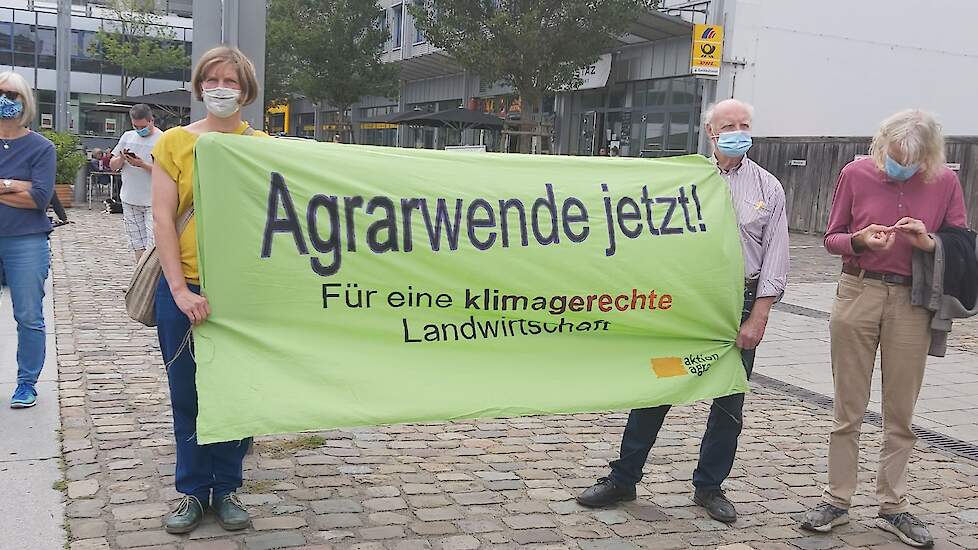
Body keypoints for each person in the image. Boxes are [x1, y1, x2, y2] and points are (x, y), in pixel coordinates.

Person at [576, 99, 789, 524]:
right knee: (658, 387)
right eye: (729, 124)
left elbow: (776, 256)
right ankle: (624, 477)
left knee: (729, 403)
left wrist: (759, 315)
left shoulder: (768, 188)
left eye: (745, 123)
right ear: (712, 132)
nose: (739, 130)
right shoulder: (682, 179)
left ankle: (710, 487)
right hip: (686, 304)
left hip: (737, 306)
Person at [801, 110, 968, 548]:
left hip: (912, 300)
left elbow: (962, 242)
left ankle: (892, 506)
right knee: (847, 407)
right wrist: (858, 239)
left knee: (900, 413)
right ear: (882, 145)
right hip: (858, 291)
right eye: (894, 156)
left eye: (910, 161)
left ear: (928, 156)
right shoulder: (855, 173)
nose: (900, 166)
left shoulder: (944, 182)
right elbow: (831, 236)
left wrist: (927, 241)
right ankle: (837, 499)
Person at [152, 45, 267, 535]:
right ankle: (193, 493)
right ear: (199, 86)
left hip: (240, 290)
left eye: (233, 82)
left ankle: (228, 488)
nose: (222, 89)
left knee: (237, 392)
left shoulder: (261, 144)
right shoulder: (175, 142)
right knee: (188, 394)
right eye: (213, 80)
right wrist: (179, 290)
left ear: (247, 91)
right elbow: (161, 216)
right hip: (187, 286)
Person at [0, 71, 56, 409]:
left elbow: (40, 198)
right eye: (1, 92)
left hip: (27, 240)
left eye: (13, 94)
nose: (6, 99)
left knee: (28, 315)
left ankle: (26, 383)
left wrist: (4, 186)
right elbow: (30, 191)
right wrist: (16, 185)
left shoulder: (41, 147)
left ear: (25, 102)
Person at [110, 104, 161, 262]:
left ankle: (151, 281)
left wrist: (142, 165)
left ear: (151, 120)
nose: (139, 130)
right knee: (137, 243)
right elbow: (113, 165)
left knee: (153, 243)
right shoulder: (127, 137)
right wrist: (122, 158)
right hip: (129, 197)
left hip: (153, 200)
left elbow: (166, 172)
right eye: (135, 126)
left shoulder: (163, 139)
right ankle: (140, 279)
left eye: (143, 126)